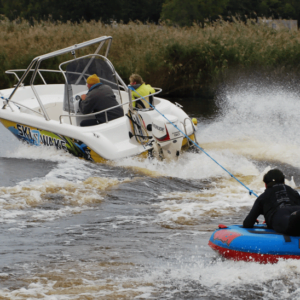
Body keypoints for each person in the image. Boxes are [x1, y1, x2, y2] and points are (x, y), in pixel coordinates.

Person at [243, 169, 300, 236]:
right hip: (297, 209)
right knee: (294, 218)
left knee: (291, 223)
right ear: (284, 182)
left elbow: (247, 223)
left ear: (266, 185)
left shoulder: (263, 197)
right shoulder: (294, 192)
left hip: (280, 215)